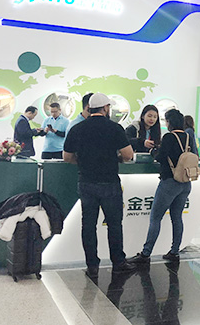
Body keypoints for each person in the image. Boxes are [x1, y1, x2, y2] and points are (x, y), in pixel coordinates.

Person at [63, 93, 136, 277]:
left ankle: (92, 265)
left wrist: (83, 162)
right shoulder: (115, 128)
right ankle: (118, 262)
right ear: (106, 108)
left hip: (86, 182)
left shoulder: (77, 128)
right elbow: (128, 155)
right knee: (114, 224)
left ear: (89, 108)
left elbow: (67, 157)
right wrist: (116, 158)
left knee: (88, 225)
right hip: (110, 183)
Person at [129, 109, 195, 264]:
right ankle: (174, 251)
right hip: (185, 183)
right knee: (177, 218)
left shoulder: (169, 137)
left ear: (169, 122)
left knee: (156, 217)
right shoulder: (188, 137)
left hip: (169, 183)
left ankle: (146, 253)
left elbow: (160, 157)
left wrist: (153, 151)